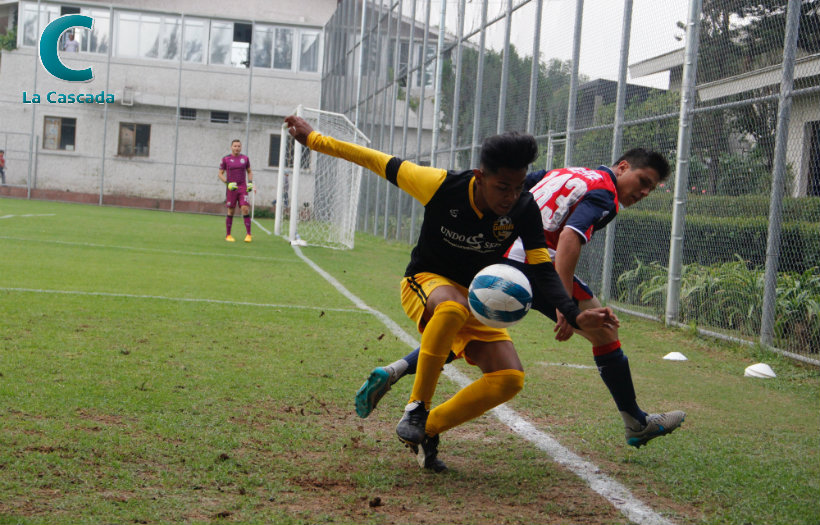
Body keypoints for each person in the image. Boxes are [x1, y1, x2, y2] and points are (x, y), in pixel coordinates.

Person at [285, 114, 619, 472]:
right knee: (450, 308)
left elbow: (541, 267)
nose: (511, 196)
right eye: (502, 186)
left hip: (476, 298)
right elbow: (375, 159)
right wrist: (316, 140)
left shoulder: (523, 208)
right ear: (480, 176)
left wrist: (571, 312)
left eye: (519, 186)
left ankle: (427, 430)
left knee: (508, 379)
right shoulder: (441, 185)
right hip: (426, 282)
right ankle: (416, 408)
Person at [355, 149, 686, 450]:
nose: (643, 192)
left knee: (467, 328)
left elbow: (513, 188)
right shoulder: (606, 194)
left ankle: (395, 370)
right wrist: (564, 304)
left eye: (650, 189)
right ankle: (636, 422)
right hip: (534, 264)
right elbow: (570, 238)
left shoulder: (566, 172)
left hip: (497, 259)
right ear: (623, 167)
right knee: (605, 331)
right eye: (643, 181)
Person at [218, 139, 255, 243]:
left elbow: (249, 171)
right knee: (231, 211)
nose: (237, 148)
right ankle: (228, 235)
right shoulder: (226, 159)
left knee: (245, 209)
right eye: (235, 146)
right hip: (232, 188)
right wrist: (228, 183)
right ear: (231, 147)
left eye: (238, 146)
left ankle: (248, 235)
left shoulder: (245, 158)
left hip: (242, 187)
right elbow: (220, 174)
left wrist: (250, 182)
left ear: (241, 147)